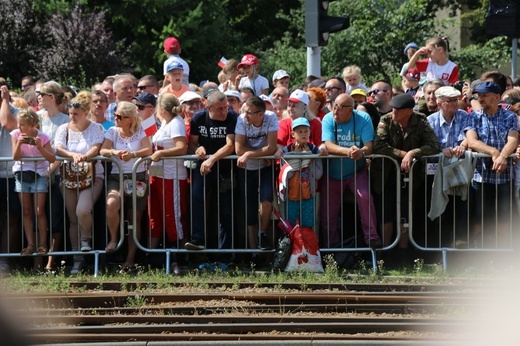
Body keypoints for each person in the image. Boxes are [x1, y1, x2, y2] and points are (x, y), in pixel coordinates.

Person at [372, 93, 440, 265]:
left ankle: (403, 253)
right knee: (386, 213)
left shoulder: (421, 120)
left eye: (398, 109)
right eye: (393, 108)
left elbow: (433, 145)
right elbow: (378, 145)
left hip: (411, 177)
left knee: (406, 214)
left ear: (409, 111)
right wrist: (403, 155)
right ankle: (385, 254)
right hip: (386, 176)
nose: (393, 111)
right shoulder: (386, 120)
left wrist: (412, 153)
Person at [320, 93, 382, 249]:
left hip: (356, 171)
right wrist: (348, 151)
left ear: (351, 110)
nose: (335, 112)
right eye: (334, 107)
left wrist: (361, 152)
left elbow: (369, 145)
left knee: (365, 197)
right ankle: (330, 247)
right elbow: (329, 145)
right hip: (332, 174)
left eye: (340, 109)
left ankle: (372, 239)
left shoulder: (363, 118)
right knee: (328, 213)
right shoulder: (327, 119)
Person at [55, 91, 105, 275]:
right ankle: (78, 260)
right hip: (68, 178)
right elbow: (59, 148)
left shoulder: (96, 128)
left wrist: (85, 156)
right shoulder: (64, 129)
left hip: (92, 177)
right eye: (70, 113)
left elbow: (96, 147)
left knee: (82, 209)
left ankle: (86, 239)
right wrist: (73, 155)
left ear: (85, 112)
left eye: (75, 114)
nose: (72, 117)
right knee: (73, 220)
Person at [465, 81, 519, 248]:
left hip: (504, 177)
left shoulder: (509, 117)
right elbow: (472, 141)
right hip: (480, 177)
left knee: (503, 218)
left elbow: (513, 139)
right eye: (479, 95)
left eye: (485, 95)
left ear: (497, 97)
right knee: (480, 218)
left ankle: (502, 256)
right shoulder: (473, 116)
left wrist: (503, 156)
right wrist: (495, 153)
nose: (480, 98)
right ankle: (479, 254)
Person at [100, 101, 153, 269]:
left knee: (134, 218)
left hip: (137, 177)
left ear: (130, 119)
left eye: (119, 117)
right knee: (111, 204)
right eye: (115, 115)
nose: (115, 118)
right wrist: (114, 152)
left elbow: (148, 149)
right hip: (117, 176)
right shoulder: (112, 131)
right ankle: (114, 238)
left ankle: (130, 259)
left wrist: (133, 154)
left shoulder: (140, 131)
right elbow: (103, 150)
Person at [186, 91, 238, 254]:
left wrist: (212, 159)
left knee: (226, 209)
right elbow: (192, 144)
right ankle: (198, 238)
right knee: (196, 195)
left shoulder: (232, 117)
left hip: (225, 168)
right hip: (204, 167)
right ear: (207, 106)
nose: (224, 112)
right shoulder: (198, 118)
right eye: (220, 109)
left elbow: (230, 145)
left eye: (226, 108)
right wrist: (197, 149)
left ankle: (226, 252)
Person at [148, 93, 188, 272]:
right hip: (158, 174)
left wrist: (162, 154)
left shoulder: (176, 122)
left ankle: (177, 258)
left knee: (172, 216)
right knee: (156, 215)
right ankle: (154, 256)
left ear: (163, 110)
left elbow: (182, 147)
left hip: (172, 176)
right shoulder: (165, 123)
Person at [426, 86, 469, 248]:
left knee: (459, 209)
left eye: (455, 100)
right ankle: (438, 249)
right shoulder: (430, 121)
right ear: (439, 103)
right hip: (436, 173)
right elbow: (429, 144)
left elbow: (469, 136)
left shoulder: (464, 116)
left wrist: (463, 145)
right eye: (449, 101)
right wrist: (439, 150)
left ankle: (456, 248)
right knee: (439, 210)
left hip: (459, 171)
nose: (454, 104)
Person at [235, 96, 278, 253]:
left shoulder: (271, 117)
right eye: (245, 111)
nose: (245, 115)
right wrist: (259, 153)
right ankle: (254, 252)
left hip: (265, 167)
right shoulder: (241, 119)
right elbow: (238, 149)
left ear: (260, 114)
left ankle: (262, 234)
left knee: (267, 200)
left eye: (250, 113)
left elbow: (272, 147)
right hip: (247, 169)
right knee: (250, 211)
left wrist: (249, 154)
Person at [11, 108, 55, 257]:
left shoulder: (43, 137)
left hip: (40, 175)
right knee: (27, 211)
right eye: (18, 124)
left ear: (32, 125)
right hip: (21, 175)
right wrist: (19, 143)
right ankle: (30, 244)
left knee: (39, 211)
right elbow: (15, 157)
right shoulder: (15, 135)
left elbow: (52, 159)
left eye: (22, 124)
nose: (19, 127)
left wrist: (40, 147)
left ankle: (43, 244)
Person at [38, 81, 71, 270]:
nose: (39, 97)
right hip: (38, 174)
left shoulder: (65, 121)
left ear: (51, 97)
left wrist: (49, 171)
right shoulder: (39, 118)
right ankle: (38, 260)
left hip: (57, 175)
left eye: (41, 94)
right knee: (39, 215)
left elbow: (61, 150)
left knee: (56, 217)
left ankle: (52, 261)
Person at [280, 117, 322, 228]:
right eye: (300, 131)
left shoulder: (314, 150)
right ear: (293, 134)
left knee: (307, 226)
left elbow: (318, 174)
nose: (303, 134)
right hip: (291, 196)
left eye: (306, 131)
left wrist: (308, 159)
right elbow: (284, 176)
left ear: (309, 132)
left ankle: (307, 246)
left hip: (308, 196)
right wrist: (297, 159)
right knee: (291, 227)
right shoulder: (286, 151)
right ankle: (294, 245)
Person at [0, 85, 21, 273]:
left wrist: (5, 101)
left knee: (11, 218)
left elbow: (7, 124)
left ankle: (5, 260)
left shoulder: (18, 112)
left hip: (10, 174)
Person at [275, 89, 324, 157]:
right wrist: (279, 150)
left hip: (311, 163)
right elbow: (280, 144)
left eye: (294, 106)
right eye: (289, 105)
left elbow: (320, 144)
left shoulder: (315, 123)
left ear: (304, 108)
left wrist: (322, 149)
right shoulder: (284, 123)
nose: (290, 109)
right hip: (289, 163)